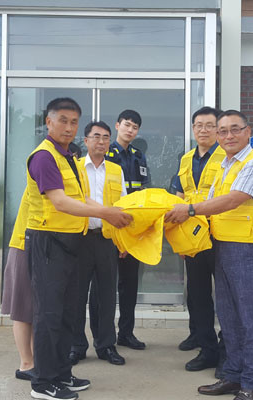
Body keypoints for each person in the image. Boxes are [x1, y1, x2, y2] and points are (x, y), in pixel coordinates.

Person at [25, 98, 132, 400]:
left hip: (70, 242)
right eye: (63, 120)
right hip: (48, 242)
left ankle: (62, 374)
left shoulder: (67, 156)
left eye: (74, 122)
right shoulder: (44, 157)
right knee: (49, 314)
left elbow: (81, 198)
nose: (69, 127)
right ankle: (43, 382)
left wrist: (110, 213)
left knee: (67, 312)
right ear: (48, 122)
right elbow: (60, 202)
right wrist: (106, 213)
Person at [165, 110, 253, 400]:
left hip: (247, 247)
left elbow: (233, 199)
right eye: (223, 131)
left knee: (249, 319)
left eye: (234, 129)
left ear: (248, 132)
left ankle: (251, 384)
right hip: (221, 245)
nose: (228, 136)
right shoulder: (225, 165)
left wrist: (189, 210)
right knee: (228, 316)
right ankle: (233, 376)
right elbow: (208, 201)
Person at [68, 121, 127, 367]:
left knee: (106, 295)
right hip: (80, 239)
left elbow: (123, 206)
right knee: (76, 295)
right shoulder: (74, 167)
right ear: (86, 140)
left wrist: (123, 242)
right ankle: (76, 346)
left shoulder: (116, 170)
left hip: (107, 239)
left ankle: (106, 345)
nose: (101, 142)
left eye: (106, 137)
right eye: (96, 137)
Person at [172, 106, 225, 372]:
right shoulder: (186, 159)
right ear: (193, 129)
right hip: (193, 236)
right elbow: (179, 195)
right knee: (198, 294)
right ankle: (207, 349)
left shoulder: (227, 157)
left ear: (218, 129)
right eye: (198, 125)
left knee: (226, 296)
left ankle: (227, 350)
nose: (203, 130)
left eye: (209, 125)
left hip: (221, 235)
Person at [99, 109, 149, 350]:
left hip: (132, 229)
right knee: (105, 287)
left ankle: (126, 333)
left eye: (135, 127)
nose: (130, 130)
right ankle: (104, 338)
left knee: (129, 285)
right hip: (108, 229)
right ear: (117, 125)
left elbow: (143, 193)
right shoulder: (106, 154)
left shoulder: (139, 156)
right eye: (127, 125)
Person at [1, 188, 34, 381]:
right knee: (22, 308)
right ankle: (26, 364)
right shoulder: (43, 175)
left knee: (36, 310)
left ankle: (35, 361)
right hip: (24, 247)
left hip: (38, 248)